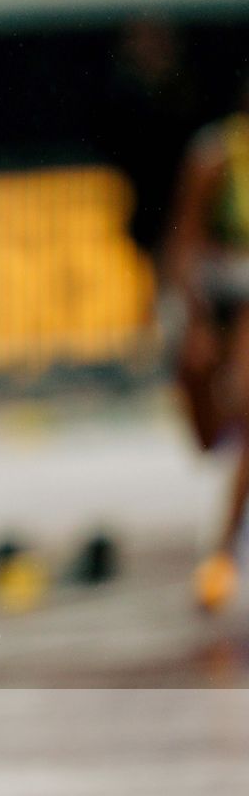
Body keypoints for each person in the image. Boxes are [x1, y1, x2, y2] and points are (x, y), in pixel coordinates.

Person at [168, 86, 249, 611]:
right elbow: (184, 244)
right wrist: (195, 323)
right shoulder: (218, 156)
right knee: (209, 437)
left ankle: (221, 554)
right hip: (216, 297)